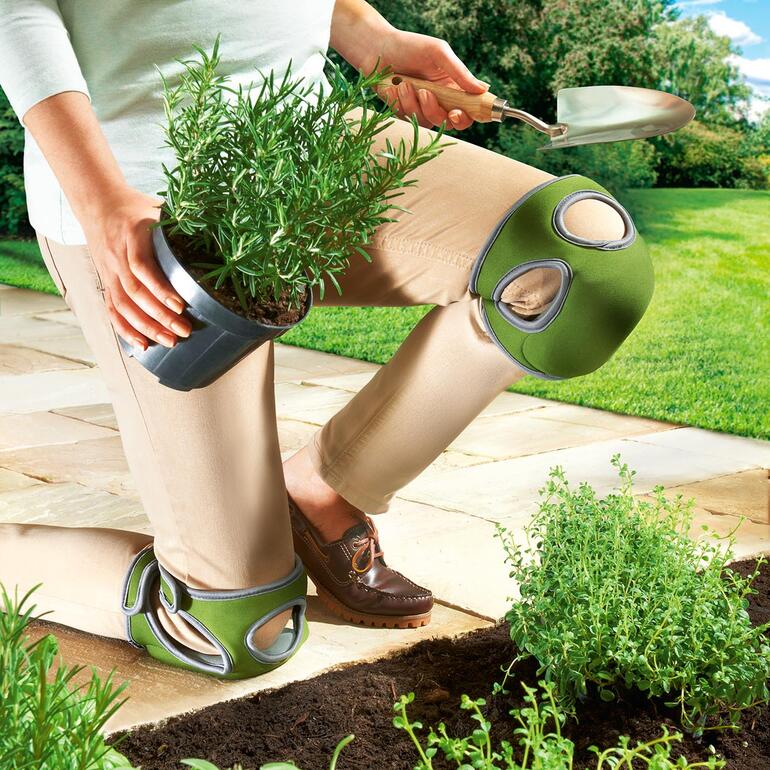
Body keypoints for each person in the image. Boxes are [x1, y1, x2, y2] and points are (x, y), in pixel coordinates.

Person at [0, 0, 637, 676]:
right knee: (234, 625)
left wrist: (367, 34)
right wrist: (102, 199)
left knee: (581, 262)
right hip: (148, 195)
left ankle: (321, 487)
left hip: (302, 141)